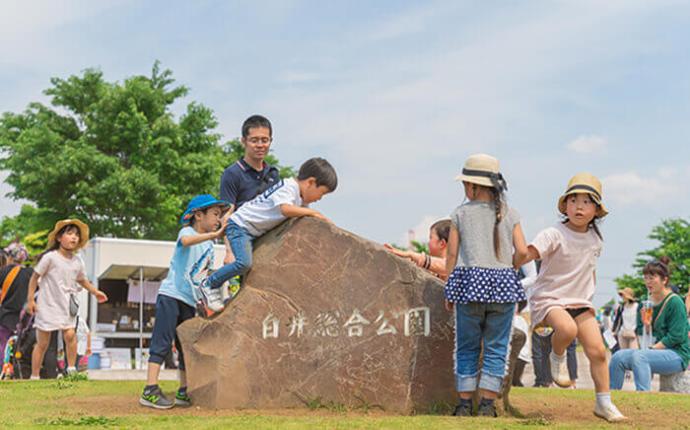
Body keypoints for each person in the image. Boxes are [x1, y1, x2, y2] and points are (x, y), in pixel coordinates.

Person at [515, 172, 625, 422]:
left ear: (597, 210)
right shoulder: (553, 233)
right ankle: (557, 356)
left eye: (587, 202)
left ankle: (603, 403)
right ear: (565, 205)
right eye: (574, 200)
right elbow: (528, 254)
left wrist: (589, 297)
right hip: (550, 298)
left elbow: (589, 269)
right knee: (566, 330)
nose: (579, 206)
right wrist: (511, 258)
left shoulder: (596, 238)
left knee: (597, 351)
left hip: (580, 301)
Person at [444, 154, 527, 418]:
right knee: (496, 347)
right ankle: (487, 406)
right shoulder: (510, 213)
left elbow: (451, 256)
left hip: (469, 287)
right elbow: (523, 252)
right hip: (503, 287)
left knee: (466, 346)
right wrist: (509, 266)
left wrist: (450, 288)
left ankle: (464, 404)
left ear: (473, 186)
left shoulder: (459, 214)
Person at [199, 158, 337, 314]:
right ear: (311, 182)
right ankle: (210, 284)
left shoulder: (299, 197)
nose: (319, 199)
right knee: (243, 263)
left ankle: (235, 299)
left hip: (252, 231)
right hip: (239, 226)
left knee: (252, 270)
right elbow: (285, 209)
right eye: (322, 193)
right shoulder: (288, 187)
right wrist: (314, 213)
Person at [140, 195, 228, 409]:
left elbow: (202, 276)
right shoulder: (187, 232)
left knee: (186, 347)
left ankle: (184, 390)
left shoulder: (209, 245)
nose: (218, 219)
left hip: (189, 302)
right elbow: (185, 242)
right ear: (199, 215)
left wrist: (206, 301)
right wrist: (215, 234)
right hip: (171, 296)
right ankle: (150, 390)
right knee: (162, 342)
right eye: (215, 214)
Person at [26, 219, 108, 379]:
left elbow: (82, 280)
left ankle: (71, 369)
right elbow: (35, 277)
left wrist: (95, 292)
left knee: (70, 335)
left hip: (66, 305)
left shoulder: (78, 261)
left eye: (76, 235)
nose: (74, 237)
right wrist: (31, 300)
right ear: (59, 238)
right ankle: (34, 376)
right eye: (69, 233)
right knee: (43, 343)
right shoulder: (50, 258)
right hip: (47, 305)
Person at [610, 257, 690, 391]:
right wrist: (647, 325)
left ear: (664, 280)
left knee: (640, 356)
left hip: (677, 355)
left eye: (652, 278)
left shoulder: (675, 302)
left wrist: (652, 349)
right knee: (618, 357)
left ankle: (643, 397)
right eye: (645, 278)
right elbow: (645, 336)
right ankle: (611, 399)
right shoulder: (646, 302)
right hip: (656, 352)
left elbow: (676, 336)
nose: (648, 282)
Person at [219, 115, 280, 264]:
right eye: (254, 140)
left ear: (270, 141)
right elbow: (226, 214)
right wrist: (229, 251)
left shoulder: (273, 174)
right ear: (243, 141)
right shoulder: (232, 173)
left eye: (264, 140)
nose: (260, 145)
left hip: (268, 244)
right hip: (241, 244)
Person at [384, 219, 451, 280]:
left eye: (431, 238)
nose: (428, 242)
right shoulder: (435, 272)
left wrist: (411, 254)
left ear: (442, 243)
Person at [0, 242, 32, 354]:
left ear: (9, 257)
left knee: (2, 347)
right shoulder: (30, 273)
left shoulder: (3, 272)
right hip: (25, 320)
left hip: (4, 317)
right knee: (19, 349)